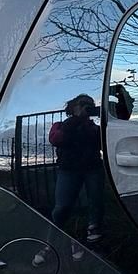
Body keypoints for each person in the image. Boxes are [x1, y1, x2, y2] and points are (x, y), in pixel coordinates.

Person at [49, 94, 104, 242]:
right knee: (62, 206)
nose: (86, 107)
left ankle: (94, 228)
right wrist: (76, 119)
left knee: (96, 200)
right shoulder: (61, 125)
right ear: (73, 107)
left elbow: (104, 142)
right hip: (68, 169)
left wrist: (105, 117)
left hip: (92, 168)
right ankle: (53, 237)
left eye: (89, 105)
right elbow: (56, 139)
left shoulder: (94, 128)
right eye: (83, 104)